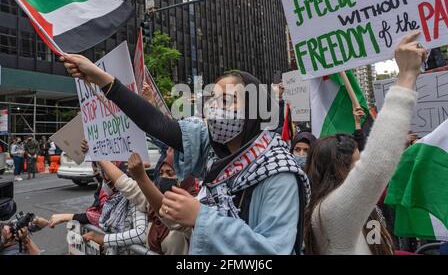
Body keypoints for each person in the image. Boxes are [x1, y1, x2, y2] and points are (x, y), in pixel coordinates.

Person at [62, 54, 311, 255]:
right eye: (212, 99)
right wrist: (103, 80)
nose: (214, 108)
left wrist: (202, 218)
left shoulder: (278, 173)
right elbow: (158, 125)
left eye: (226, 100)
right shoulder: (215, 152)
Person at [303, 31, 427, 255]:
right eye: (354, 165)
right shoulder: (331, 212)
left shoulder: (365, 214)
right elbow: (376, 166)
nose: (359, 170)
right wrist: (407, 75)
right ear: (333, 169)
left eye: (360, 163)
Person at [82, 161, 148, 255]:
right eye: (103, 180)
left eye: (109, 181)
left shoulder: (135, 198)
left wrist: (104, 239)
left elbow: (141, 234)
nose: (105, 184)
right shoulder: (111, 200)